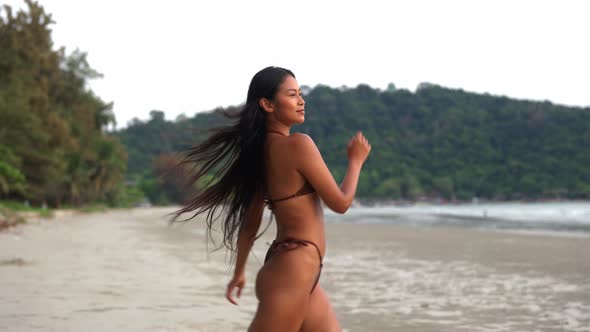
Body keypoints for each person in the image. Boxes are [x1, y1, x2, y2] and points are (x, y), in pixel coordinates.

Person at [173, 66, 371, 331]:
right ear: (267, 104)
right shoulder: (299, 145)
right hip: (294, 269)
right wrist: (355, 161)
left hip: (294, 269)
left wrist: (239, 272)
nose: (301, 101)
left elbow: (251, 222)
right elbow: (341, 203)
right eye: (292, 94)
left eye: (300, 94)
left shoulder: (260, 154)